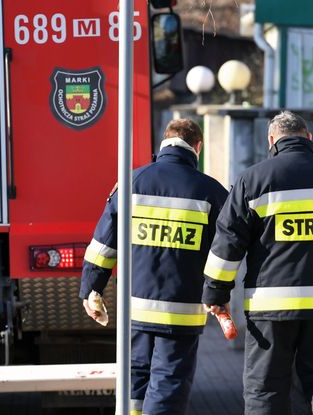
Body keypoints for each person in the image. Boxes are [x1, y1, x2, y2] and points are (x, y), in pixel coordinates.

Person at [202, 111, 313, 415]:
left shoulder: (252, 180)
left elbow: (228, 243)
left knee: (265, 386)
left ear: (272, 140)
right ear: (308, 138)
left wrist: (215, 293)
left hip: (270, 306)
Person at [79, 119, 228, 415]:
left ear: (163, 144)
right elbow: (224, 253)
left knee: (136, 378)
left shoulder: (131, 183)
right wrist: (218, 295)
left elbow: (103, 246)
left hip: (136, 308)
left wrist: (91, 290)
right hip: (182, 312)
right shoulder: (212, 192)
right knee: (168, 382)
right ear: (197, 147)